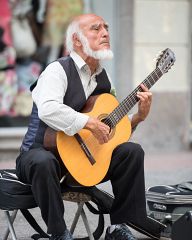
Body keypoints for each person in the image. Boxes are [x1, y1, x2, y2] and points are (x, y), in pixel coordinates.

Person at [16, 14, 166, 240]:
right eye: (96, 29)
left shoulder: (103, 79)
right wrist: (88, 122)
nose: (105, 33)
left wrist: (137, 119)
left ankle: (118, 227)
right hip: (42, 157)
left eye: (106, 28)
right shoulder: (57, 71)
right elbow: (47, 109)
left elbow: (112, 133)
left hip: (82, 163)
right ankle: (58, 233)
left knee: (131, 152)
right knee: (42, 161)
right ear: (77, 40)